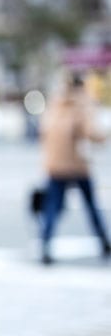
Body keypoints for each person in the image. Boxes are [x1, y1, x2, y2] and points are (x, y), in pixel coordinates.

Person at [38, 73, 110, 265]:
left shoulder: (55, 105)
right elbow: (91, 133)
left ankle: (45, 243)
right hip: (77, 165)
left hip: (54, 165)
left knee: (52, 206)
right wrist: (103, 135)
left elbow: (43, 132)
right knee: (91, 205)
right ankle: (104, 241)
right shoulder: (81, 106)